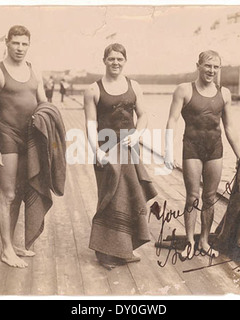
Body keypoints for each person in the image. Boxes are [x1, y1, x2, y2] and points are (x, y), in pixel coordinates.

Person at [84, 43, 158, 269]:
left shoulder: (134, 86)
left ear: (125, 61)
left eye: (119, 59)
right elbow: (90, 123)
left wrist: (137, 134)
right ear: (104, 60)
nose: (115, 62)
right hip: (106, 150)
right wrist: (96, 151)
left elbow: (143, 115)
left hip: (130, 149)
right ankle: (104, 252)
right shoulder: (93, 90)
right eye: (111, 58)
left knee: (130, 197)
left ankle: (123, 248)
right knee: (109, 198)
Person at [164, 50, 240, 259]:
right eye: (208, 66)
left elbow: (229, 127)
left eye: (216, 67)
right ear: (198, 65)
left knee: (209, 198)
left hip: (215, 149)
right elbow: (172, 121)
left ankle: (205, 241)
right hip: (192, 148)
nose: (211, 70)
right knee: (192, 196)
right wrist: (167, 150)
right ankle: (190, 241)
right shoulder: (183, 90)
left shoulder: (224, 93)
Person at [0, 25, 48, 268]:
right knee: (7, 193)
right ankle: (6, 250)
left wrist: (51, 132)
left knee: (20, 193)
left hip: (30, 138)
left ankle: (11, 244)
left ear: (29, 45)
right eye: (16, 43)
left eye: (24, 44)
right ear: (7, 43)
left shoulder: (34, 70)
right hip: (8, 136)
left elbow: (43, 103)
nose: (20, 48)